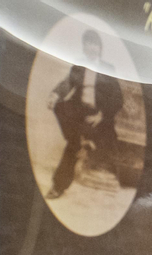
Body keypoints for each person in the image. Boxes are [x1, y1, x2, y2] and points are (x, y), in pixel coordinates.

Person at [45, 29, 122, 200]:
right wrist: (54, 94)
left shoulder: (108, 69)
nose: (90, 48)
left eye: (94, 44)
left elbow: (118, 99)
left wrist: (101, 115)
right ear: (84, 47)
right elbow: (67, 83)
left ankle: (60, 183)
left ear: (100, 48)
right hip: (80, 112)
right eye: (87, 44)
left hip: (99, 115)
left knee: (77, 146)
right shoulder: (79, 65)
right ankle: (78, 144)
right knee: (61, 107)